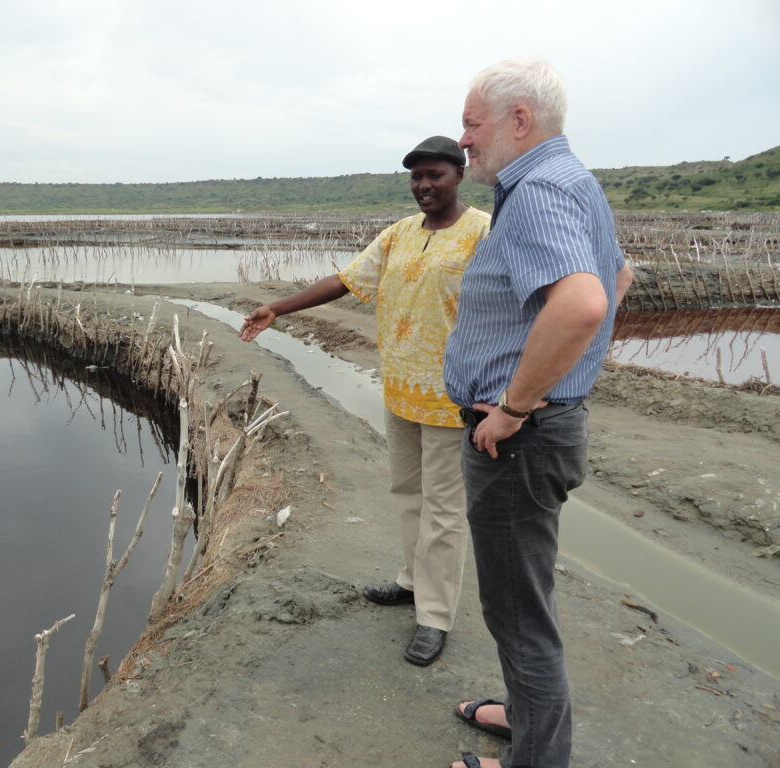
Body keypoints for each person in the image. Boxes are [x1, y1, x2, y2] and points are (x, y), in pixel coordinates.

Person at [442, 58, 633, 768]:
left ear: (518, 121)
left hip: (516, 440)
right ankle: (525, 716)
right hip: (540, 430)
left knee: (520, 612)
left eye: (471, 123)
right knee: (524, 594)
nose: (464, 140)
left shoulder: (539, 190)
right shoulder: (570, 179)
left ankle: (537, 759)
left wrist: (517, 408)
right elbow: (618, 277)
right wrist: (571, 377)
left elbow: (584, 302)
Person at [239, 136, 490, 666]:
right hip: (401, 390)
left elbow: (512, 307)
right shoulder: (399, 234)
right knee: (406, 493)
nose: (424, 185)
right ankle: (411, 581)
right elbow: (347, 280)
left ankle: (435, 616)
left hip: (455, 396)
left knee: (444, 511)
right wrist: (278, 308)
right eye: (416, 177)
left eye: (434, 175)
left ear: (459, 175)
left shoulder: (484, 231)